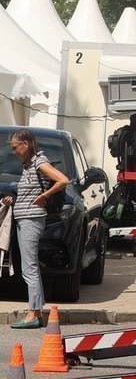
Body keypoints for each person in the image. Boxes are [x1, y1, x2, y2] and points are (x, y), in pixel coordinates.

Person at [2, 129, 68, 328]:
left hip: (31, 220)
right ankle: (35, 311)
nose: (14, 152)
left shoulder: (39, 162)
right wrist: (13, 201)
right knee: (28, 267)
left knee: (29, 267)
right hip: (25, 219)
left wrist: (44, 196)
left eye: (16, 147)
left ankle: (34, 313)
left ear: (26, 144)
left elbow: (63, 180)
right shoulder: (29, 165)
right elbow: (29, 193)